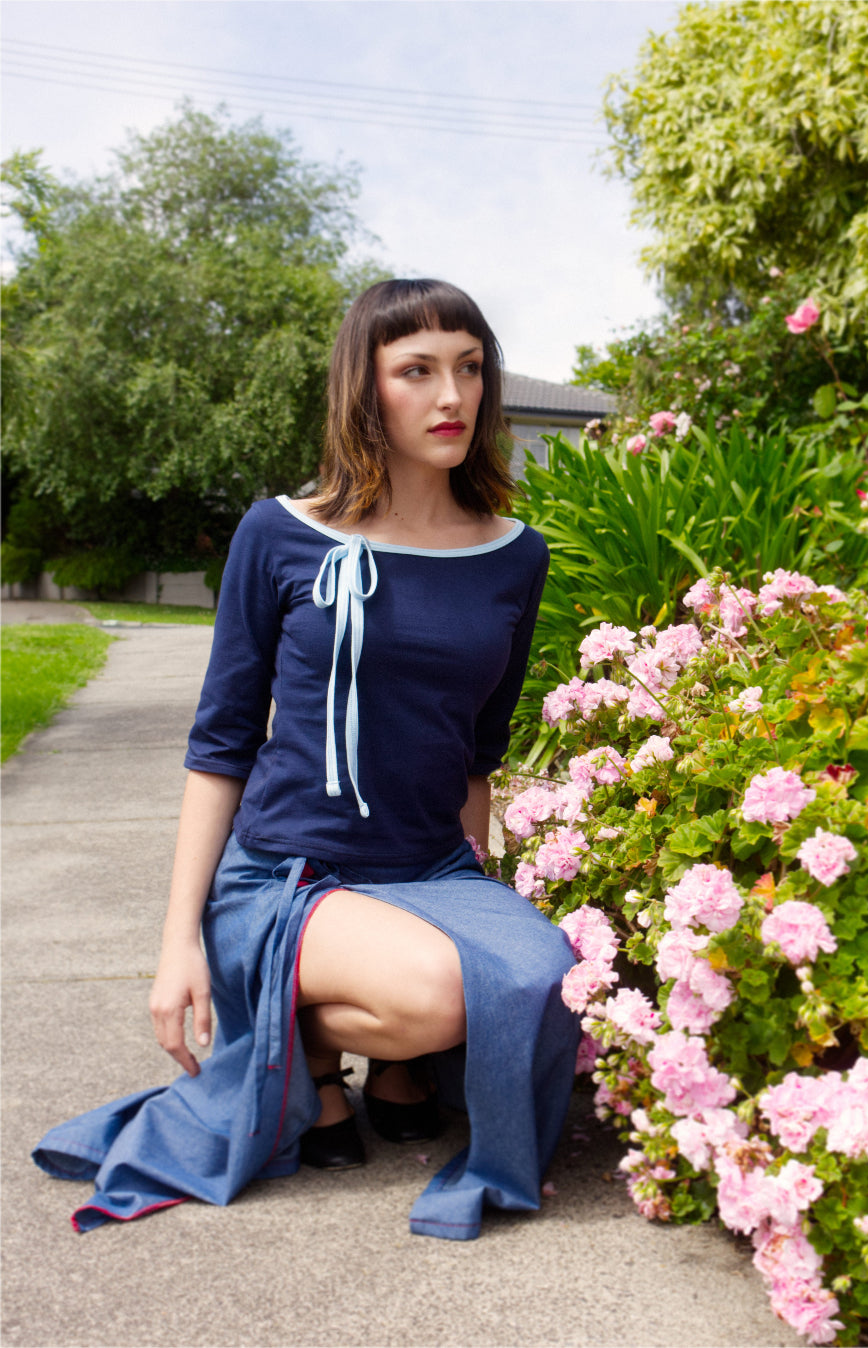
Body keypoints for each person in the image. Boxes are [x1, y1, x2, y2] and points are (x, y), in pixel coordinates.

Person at [32, 279, 580, 1241]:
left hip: (430, 867)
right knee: (441, 993)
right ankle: (308, 1051)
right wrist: (178, 945)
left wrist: (481, 892)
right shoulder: (280, 532)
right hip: (286, 874)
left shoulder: (514, 554)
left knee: (541, 977)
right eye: (417, 371)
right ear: (366, 390)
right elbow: (220, 742)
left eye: (470, 369)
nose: (452, 397)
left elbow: (478, 748)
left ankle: (312, 1051)